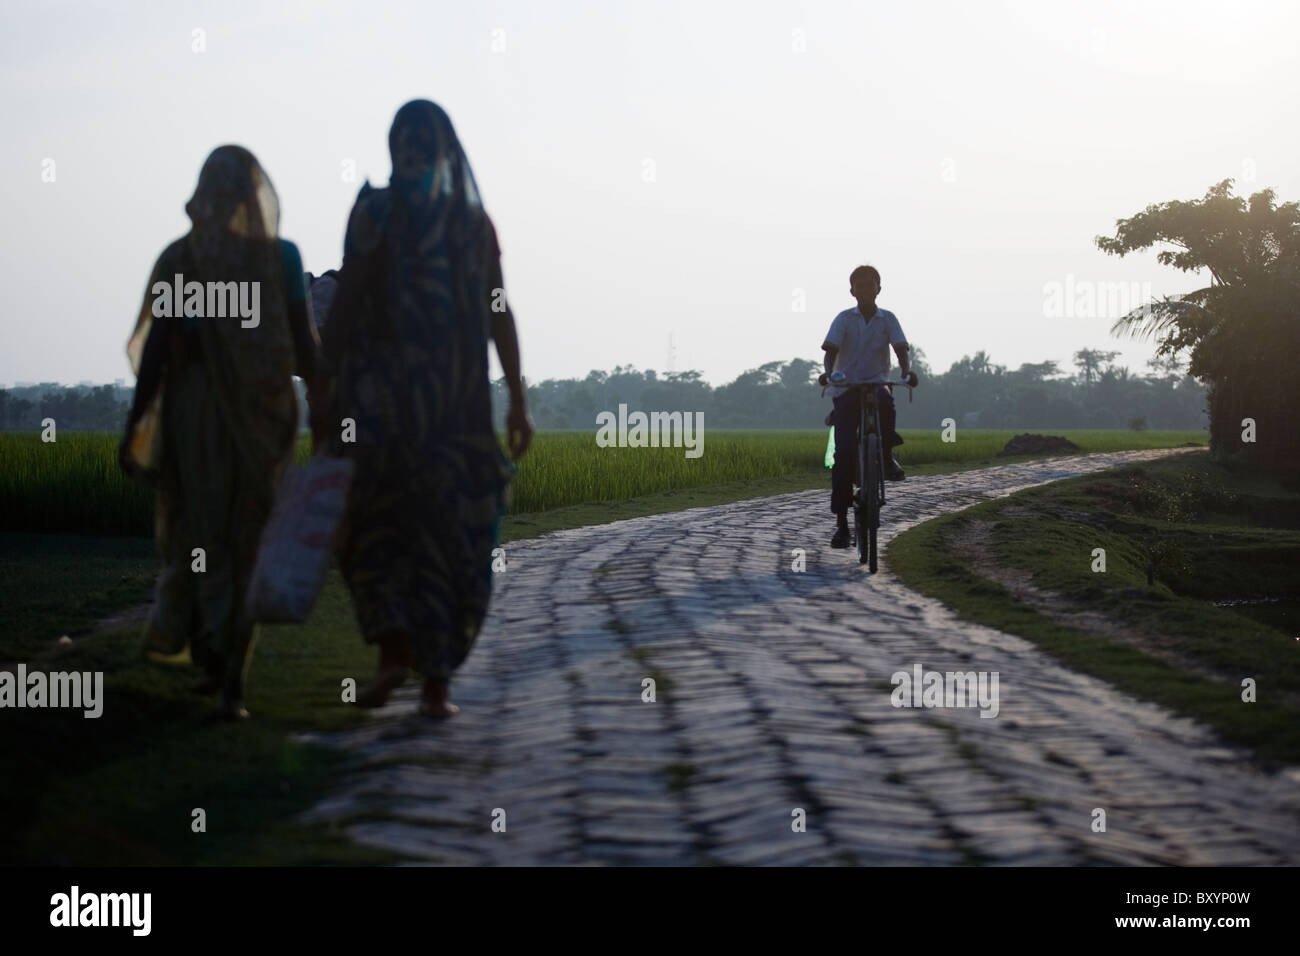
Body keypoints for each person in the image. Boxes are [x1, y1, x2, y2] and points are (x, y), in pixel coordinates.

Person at [313, 99, 533, 719]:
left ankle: (396, 660)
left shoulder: (377, 213)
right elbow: (499, 312)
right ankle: (433, 681)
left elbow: (347, 302)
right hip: (452, 411)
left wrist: (326, 391)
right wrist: (517, 400)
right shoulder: (468, 221)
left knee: (383, 529)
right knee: (448, 534)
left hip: (379, 408)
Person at [120, 145, 318, 719]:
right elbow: (305, 349)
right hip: (253, 421)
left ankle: (221, 667)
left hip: (201, 419)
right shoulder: (276, 259)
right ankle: (225, 669)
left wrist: (136, 423)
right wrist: (332, 391)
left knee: (207, 539)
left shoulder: (182, 258)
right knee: (240, 541)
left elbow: (157, 350)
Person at [819, 264, 918, 549]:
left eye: (870, 284)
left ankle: (886, 456)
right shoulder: (843, 319)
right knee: (844, 454)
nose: (865, 290)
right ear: (852, 291)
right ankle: (841, 525)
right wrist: (829, 373)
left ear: (878, 288)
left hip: (877, 383)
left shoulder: (888, 319)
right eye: (859, 285)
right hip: (847, 386)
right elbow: (830, 351)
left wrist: (906, 372)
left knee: (887, 404)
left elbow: (901, 349)